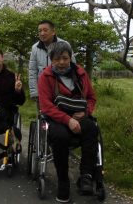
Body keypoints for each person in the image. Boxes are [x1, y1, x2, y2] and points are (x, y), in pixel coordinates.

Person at [38, 41, 98, 203]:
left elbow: (91, 98)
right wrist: (68, 120)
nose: (62, 62)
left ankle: (86, 176)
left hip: (79, 116)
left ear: (70, 57)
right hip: (57, 117)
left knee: (92, 129)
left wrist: (86, 112)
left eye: (65, 58)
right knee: (60, 136)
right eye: (57, 59)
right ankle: (63, 181)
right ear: (51, 60)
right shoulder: (45, 76)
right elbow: (46, 106)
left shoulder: (80, 73)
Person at [28, 20, 72, 101]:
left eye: (45, 30)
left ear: (53, 32)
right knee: (43, 113)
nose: (42, 33)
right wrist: (34, 92)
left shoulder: (65, 44)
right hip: (43, 90)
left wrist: (72, 89)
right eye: (40, 31)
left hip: (63, 90)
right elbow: (32, 71)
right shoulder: (35, 48)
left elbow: (73, 67)